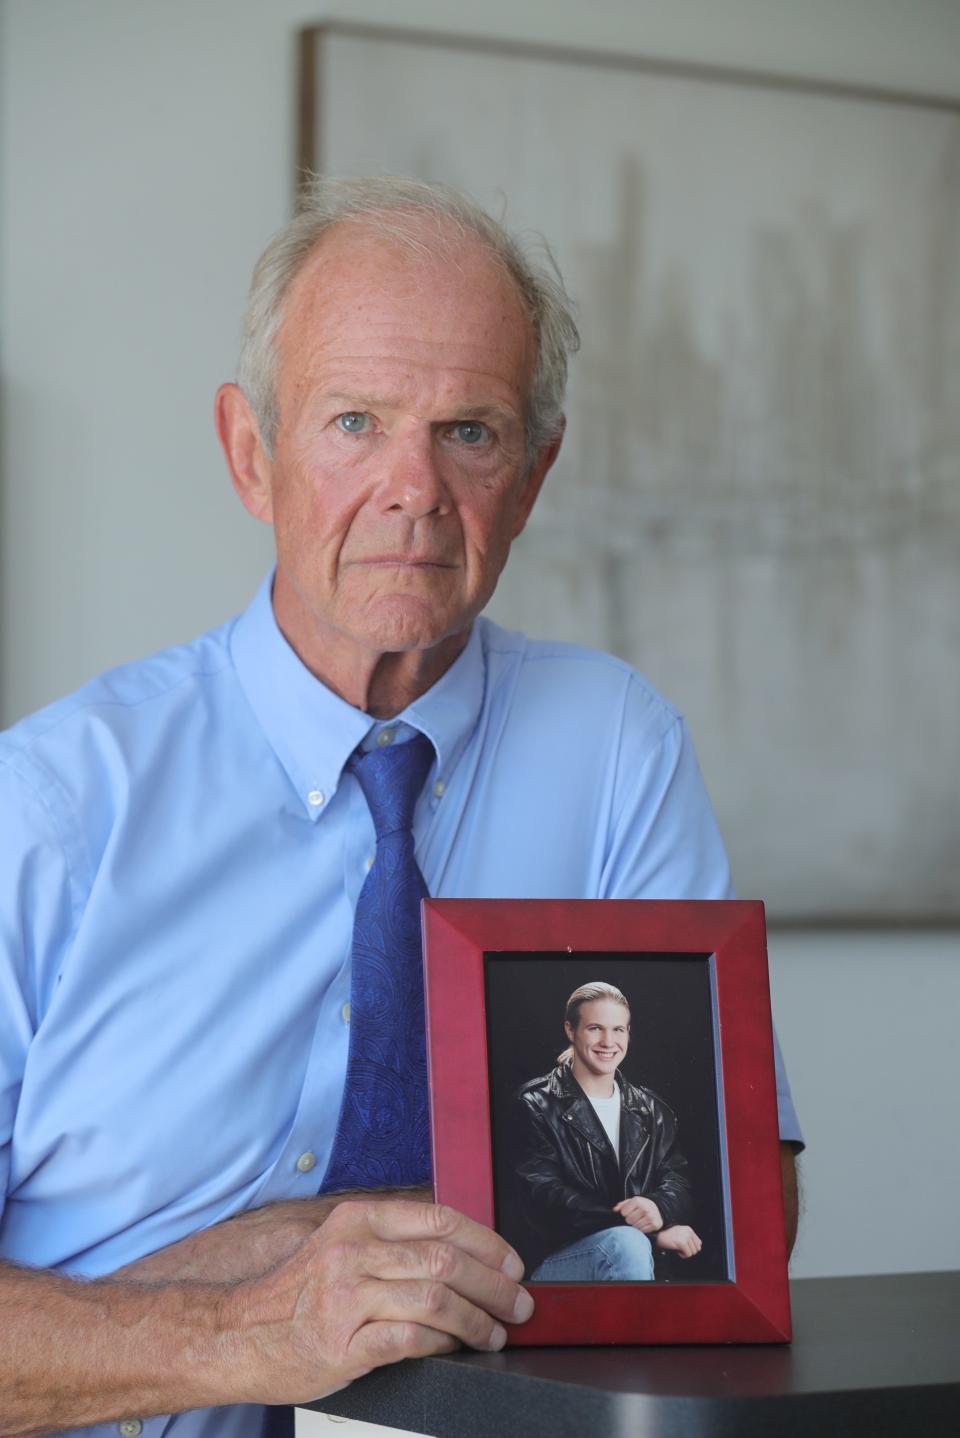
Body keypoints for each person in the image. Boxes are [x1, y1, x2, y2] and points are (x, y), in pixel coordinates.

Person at [0, 176, 801, 1437]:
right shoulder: (46, 808)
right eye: (357, 420)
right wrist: (248, 1309)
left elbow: (736, 1215)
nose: (415, 488)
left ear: (533, 475)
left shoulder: (615, 751)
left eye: (469, 431)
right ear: (249, 453)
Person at [507, 982, 704, 1282]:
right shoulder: (535, 1104)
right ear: (570, 1030)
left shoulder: (652, 1110)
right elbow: (545, 1201)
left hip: (636, 1256)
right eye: (595, 1028)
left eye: (618, 1030)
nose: (608, 1041)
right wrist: (651, 1235)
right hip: (556, 1264)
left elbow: (678, 1183)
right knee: (628, 1245)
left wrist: (658, 1207)